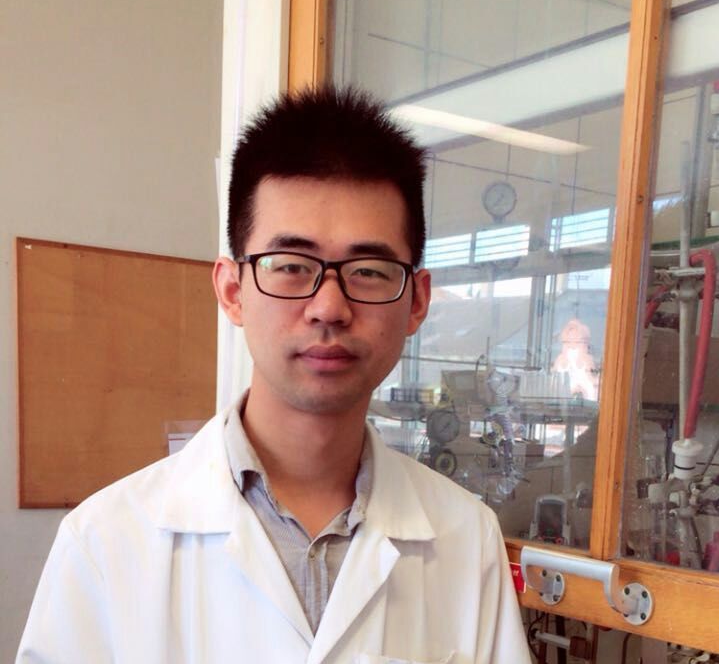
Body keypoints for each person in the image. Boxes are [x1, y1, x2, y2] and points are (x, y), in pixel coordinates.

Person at [17, 87, 531, 663]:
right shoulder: (104, 543)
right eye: (290, 266)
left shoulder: (467, 540)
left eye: (368, 271)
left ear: (416, 301)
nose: (329, 307)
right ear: (232, 291)